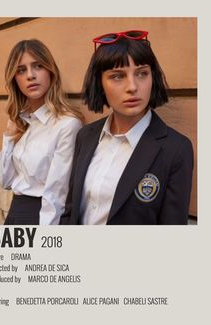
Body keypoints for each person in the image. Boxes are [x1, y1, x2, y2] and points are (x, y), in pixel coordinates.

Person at [60, 30, 194, 225]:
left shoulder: (176, 149)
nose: (132, 86)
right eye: (117, 76)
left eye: (142, 73)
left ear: (152, 78)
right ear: (100, 83)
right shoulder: (85, 136)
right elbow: (71, 210)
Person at [0, 39, 83, 225]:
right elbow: (5, 182)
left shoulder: (67, 125)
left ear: (50, 72)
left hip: (40, 216)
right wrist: (9, 137)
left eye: (38, 66)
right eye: (21, 70)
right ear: (15, 79)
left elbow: (57, 193)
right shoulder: (22, 122)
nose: (30, 75)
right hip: (14, 213)